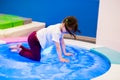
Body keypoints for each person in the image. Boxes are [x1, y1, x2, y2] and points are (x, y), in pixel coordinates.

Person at [10, 16, 80, 62]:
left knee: (35, 53)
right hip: (34, 40)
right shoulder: (56, 32)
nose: (67, 32)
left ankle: (20, 47)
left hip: (36, 37)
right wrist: (60, 58)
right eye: (67, 30)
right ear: (64, 24)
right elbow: (58, 46)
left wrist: (65, 52)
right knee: (36, 58)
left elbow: (62, 41)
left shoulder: (61, 27)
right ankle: (20, 51)